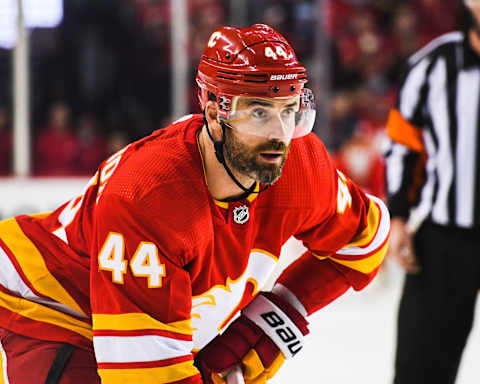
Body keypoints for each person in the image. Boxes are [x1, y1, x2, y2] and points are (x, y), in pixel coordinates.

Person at [0, 24, 389, 384]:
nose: (280, 134)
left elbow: (367, 241)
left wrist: (278, 317)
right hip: (45, 307)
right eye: (258, 112)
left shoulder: (302, 165)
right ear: (215, 113)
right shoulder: (149, 198)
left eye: (289, 111)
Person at [384, 2, 480, 383]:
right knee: (420, 369)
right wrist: (398, 217)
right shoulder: (432, 66)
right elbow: (402, 147)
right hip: (445, 239)